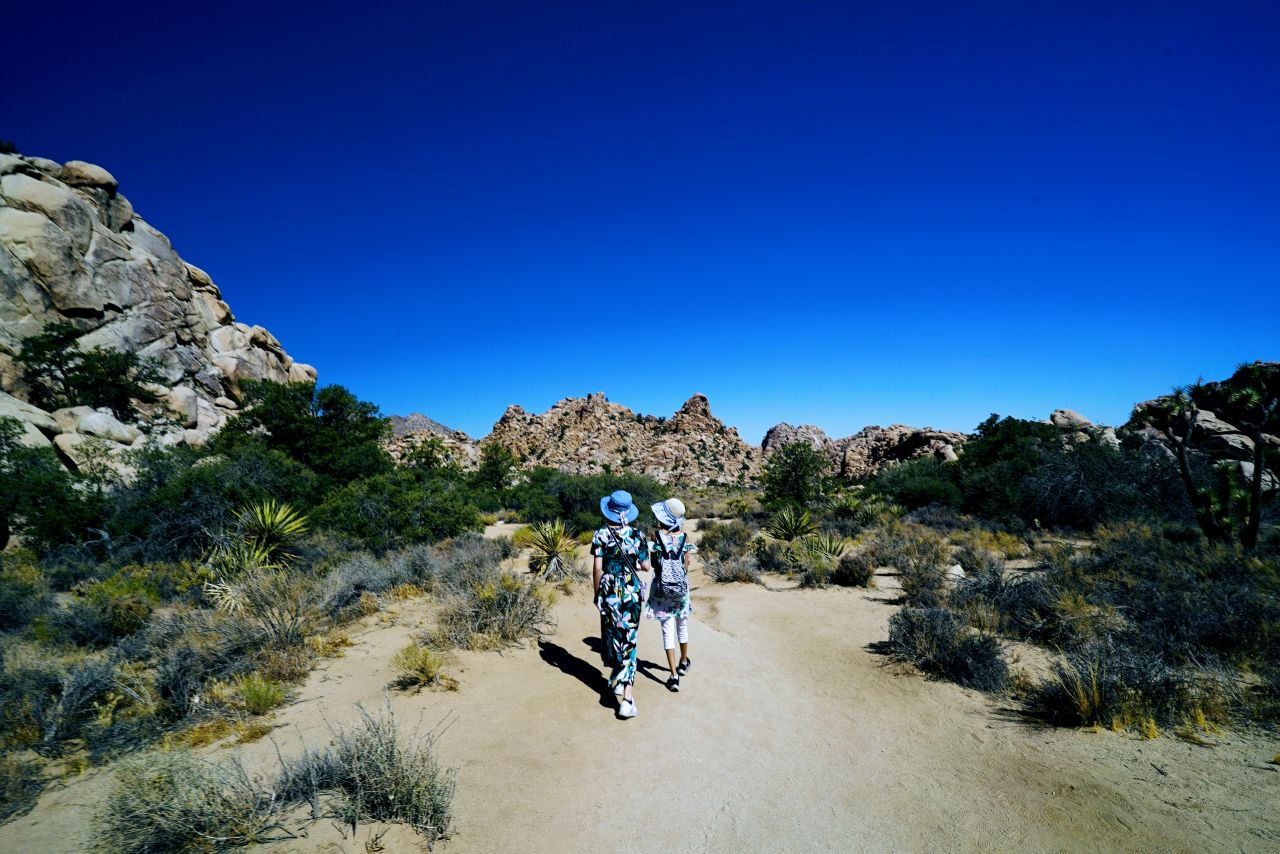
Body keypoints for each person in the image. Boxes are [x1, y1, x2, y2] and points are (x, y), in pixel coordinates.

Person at [591, 490, 652, 719]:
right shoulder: (638, 535)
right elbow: (646, 566)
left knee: (614, 636)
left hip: (608, 591)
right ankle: (627, 699)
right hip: (630, 592)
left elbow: (598, 568)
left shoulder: (600, 535)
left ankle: (620, 682)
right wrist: (632, 563)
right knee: (630, 641)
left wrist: (597, 594)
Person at [647, 497, 696, 692]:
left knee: (667, 631)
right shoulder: (685, 537)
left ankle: (674, 676)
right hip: (681, 590)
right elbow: (687, 563)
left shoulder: (655, 537)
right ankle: (684, 662)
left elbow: (653, 564)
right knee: (682, 627)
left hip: (661, 590)